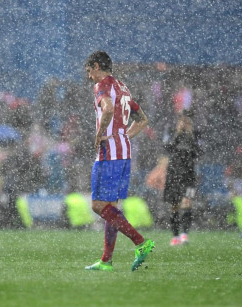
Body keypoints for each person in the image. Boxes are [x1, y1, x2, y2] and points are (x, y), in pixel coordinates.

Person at [83, 50, 154, 272]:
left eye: (89, 71)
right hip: (124, 152)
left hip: (109, 154)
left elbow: (108, 108)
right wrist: (123, 136)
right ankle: (106, 260)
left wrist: (100, 133)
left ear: (96, 66)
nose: (89, 77)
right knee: (111, 206)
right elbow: (142, 119)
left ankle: (140, 242)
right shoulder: (122, 87)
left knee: (98, 205)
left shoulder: (102, 85)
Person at [163, 112, 201, 246]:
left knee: (187, 202)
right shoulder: (171, 132)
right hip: (173, 174)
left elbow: (199, 152)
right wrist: (177, 134)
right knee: (174, 206)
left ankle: (184, 234)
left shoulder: (195, 135)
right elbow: (166, 147)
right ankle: (175, 236)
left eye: (186, 121)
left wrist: (191, 136)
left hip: (189, 175)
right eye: (182, 121)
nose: (184, 124)